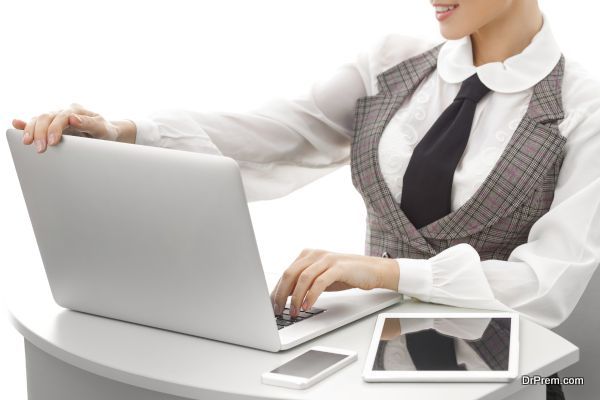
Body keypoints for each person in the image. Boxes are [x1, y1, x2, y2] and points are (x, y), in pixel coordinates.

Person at [12, 1, 600, 398]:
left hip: (508, 369)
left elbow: (545, 285)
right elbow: (279, 131)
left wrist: (387, 270)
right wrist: (123, 132)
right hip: (379, 348)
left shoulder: (583, 106)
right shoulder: (395, 64)